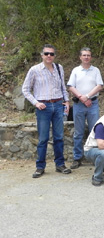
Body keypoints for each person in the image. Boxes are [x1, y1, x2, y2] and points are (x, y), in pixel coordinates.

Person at [22, 44, 71, 178]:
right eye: (46, 53)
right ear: (42, 55)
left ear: (54, 56)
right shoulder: (34, 70)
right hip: (43, 107)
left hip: (58, 104)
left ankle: (60, 164)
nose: (49, 56)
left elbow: (63, 87)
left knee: (59, 137)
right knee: (43, 138)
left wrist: (66, 101)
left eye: (52, 54)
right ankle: (40, 167)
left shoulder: (59, 68)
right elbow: (25, 89)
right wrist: (36, 103)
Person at [67, 47, 103, 169]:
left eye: (88, 55)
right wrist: (81, 97)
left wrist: (87, 97)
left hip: (93, 104)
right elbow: (71, 86)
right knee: (78, 133)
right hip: (78, 105)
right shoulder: (76, 70)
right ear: (80, 57)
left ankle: (94, 157)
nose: (86, 57)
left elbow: (99, 86)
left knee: (95, 131)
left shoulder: (96, 70)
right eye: (84, 55)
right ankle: (77, 158)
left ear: (91, 57)